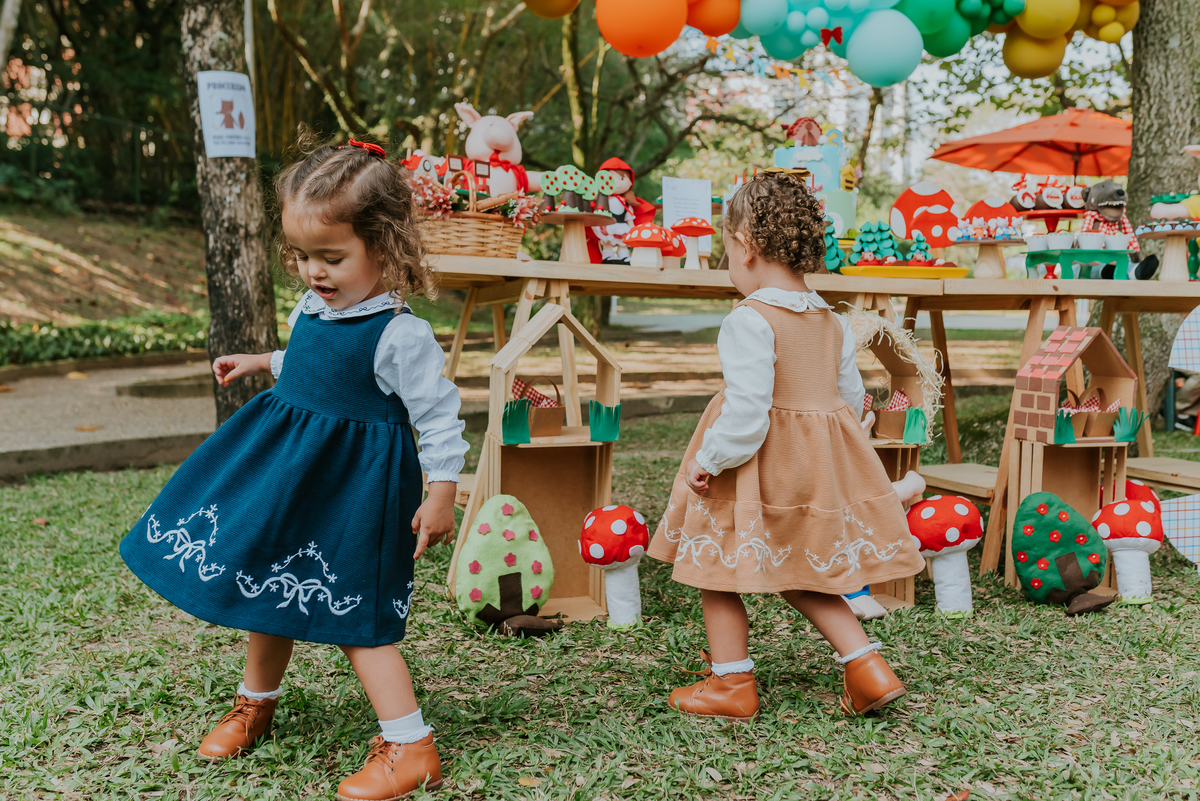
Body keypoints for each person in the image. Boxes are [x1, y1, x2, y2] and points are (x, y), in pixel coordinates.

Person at [119, 137, 467, 800]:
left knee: (354, 614)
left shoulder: (401, 334)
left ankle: (410, 742)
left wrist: (443, 491)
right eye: (302, 257)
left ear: (385, 246)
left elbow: (440, 416)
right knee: (266, 582)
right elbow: (315, 360)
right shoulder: (315, 305)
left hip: (355, 489)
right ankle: (258, 701)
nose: (313, 272)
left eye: (331, 257)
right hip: (291, 473)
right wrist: (265, 362)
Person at [646, 172, 926, 721]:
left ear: (746, 245)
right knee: (801, 569)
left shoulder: (748, 319)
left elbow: (748, 413)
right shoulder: (831, 319)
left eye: (726, 250)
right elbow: (850, 401)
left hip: (753, 470)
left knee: (716, 567)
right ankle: (866, 666)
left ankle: (731, 682)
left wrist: (709, 460)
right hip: (812, 470)